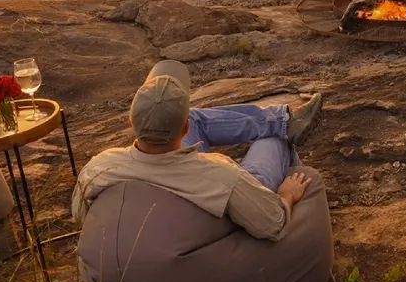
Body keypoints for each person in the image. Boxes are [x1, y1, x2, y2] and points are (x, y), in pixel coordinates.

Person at [71, 60, 323, 241]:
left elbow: (81, 217)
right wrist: (286, 195)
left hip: (165, 206)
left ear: (130, 123)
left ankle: (281, 121)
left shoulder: (98, 168)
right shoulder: (222, 176)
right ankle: (282, 127)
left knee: (197, 117)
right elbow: (273, 224)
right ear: (184, 129)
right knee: (273, 141)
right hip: (222, 208)